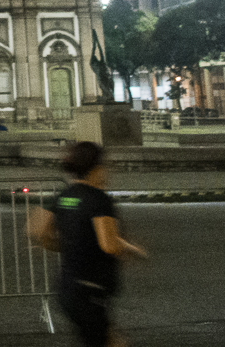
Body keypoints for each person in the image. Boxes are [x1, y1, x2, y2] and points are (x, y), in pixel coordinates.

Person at [27, 141, 147, 347]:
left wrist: (64, 244)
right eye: (105, 165)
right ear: (96, 168)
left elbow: (35, 230)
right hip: (90, 291)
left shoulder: (65, 196)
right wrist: (133, 250)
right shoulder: (98, 199)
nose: (108, 171)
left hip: (67, 288)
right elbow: (109, 244)